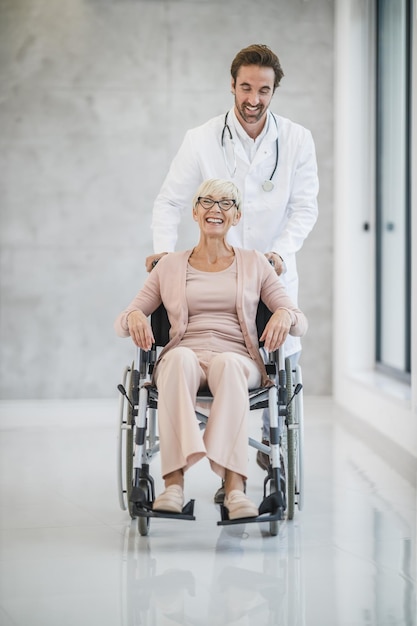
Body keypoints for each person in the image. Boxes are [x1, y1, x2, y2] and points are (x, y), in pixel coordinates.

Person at [144, 44, 318, 483]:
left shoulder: (296, 139)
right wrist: (165, 254)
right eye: (245, 87)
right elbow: (169, 200)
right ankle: (215, 468)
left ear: (275, 90)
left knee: (274, 364)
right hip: (214, 273)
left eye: (264, 89)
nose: (253, 99)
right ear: (232, 86)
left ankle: (265, 449)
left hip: (270, 272)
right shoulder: (201, 138)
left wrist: (278, 252)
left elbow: (305, 207)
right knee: (209, 360)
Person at [115, 179, 307, 520]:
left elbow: (299, 321)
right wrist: (134, 318)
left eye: (225, 203)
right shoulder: (169, 266)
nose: (215, 209)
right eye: (206, 201)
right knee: (176, 361)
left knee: (230, 366)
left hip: (237, 357)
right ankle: (173, 486)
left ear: (237, 216)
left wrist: (283, 313)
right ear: (194, 211)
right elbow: (124, 318)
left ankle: (235, 490)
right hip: (184, 353)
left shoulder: (255, 264)